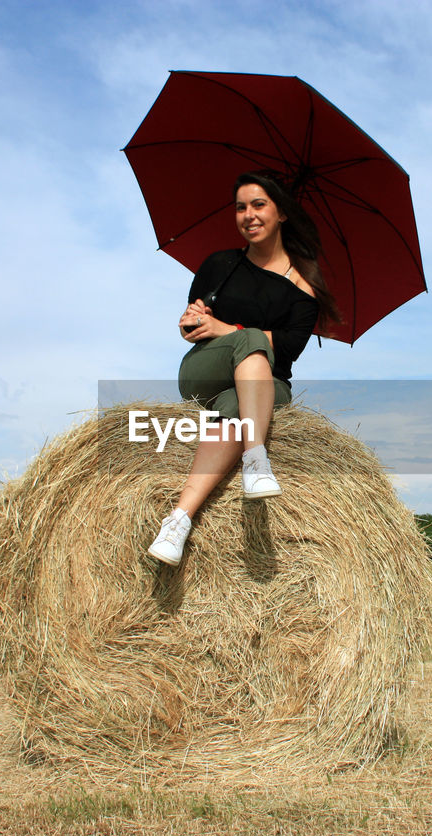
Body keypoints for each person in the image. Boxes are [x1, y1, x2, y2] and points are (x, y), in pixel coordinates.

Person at [148, 172, 341, 565]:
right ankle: (256, 459)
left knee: (236, 407)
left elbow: (289, 348)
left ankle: (178, 521)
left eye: (258, 205)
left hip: (266, 384)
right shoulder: (220, 265)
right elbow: (195, 326)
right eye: (240, 207)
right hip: (205, 369)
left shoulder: (306, 286)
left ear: (281, 212)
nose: (248, 215)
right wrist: (194, 320)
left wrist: (228, 330)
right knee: (251, 339)